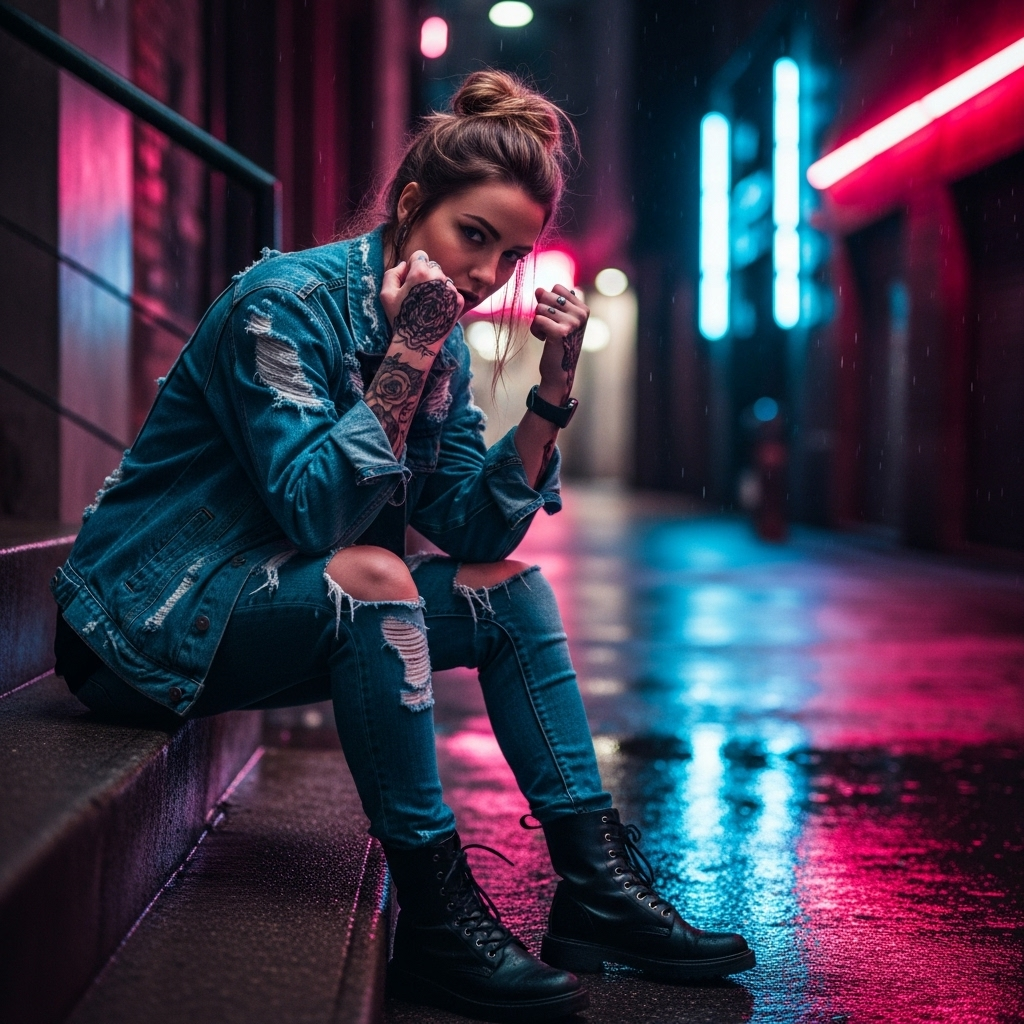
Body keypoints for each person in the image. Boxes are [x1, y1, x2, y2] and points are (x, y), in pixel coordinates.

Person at [51, 70, 754, 1022]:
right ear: (414, 204)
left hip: (267, 601)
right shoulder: (284, 303)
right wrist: (409, 352)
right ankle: (434, 918)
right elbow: (316, 513)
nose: (487, 275)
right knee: (373, 577)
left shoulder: (442, 340)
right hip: (142, 621)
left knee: (510, 592)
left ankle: (597, 889)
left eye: (511, 256)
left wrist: (551, 393)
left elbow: (473, 525)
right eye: (474, 236)